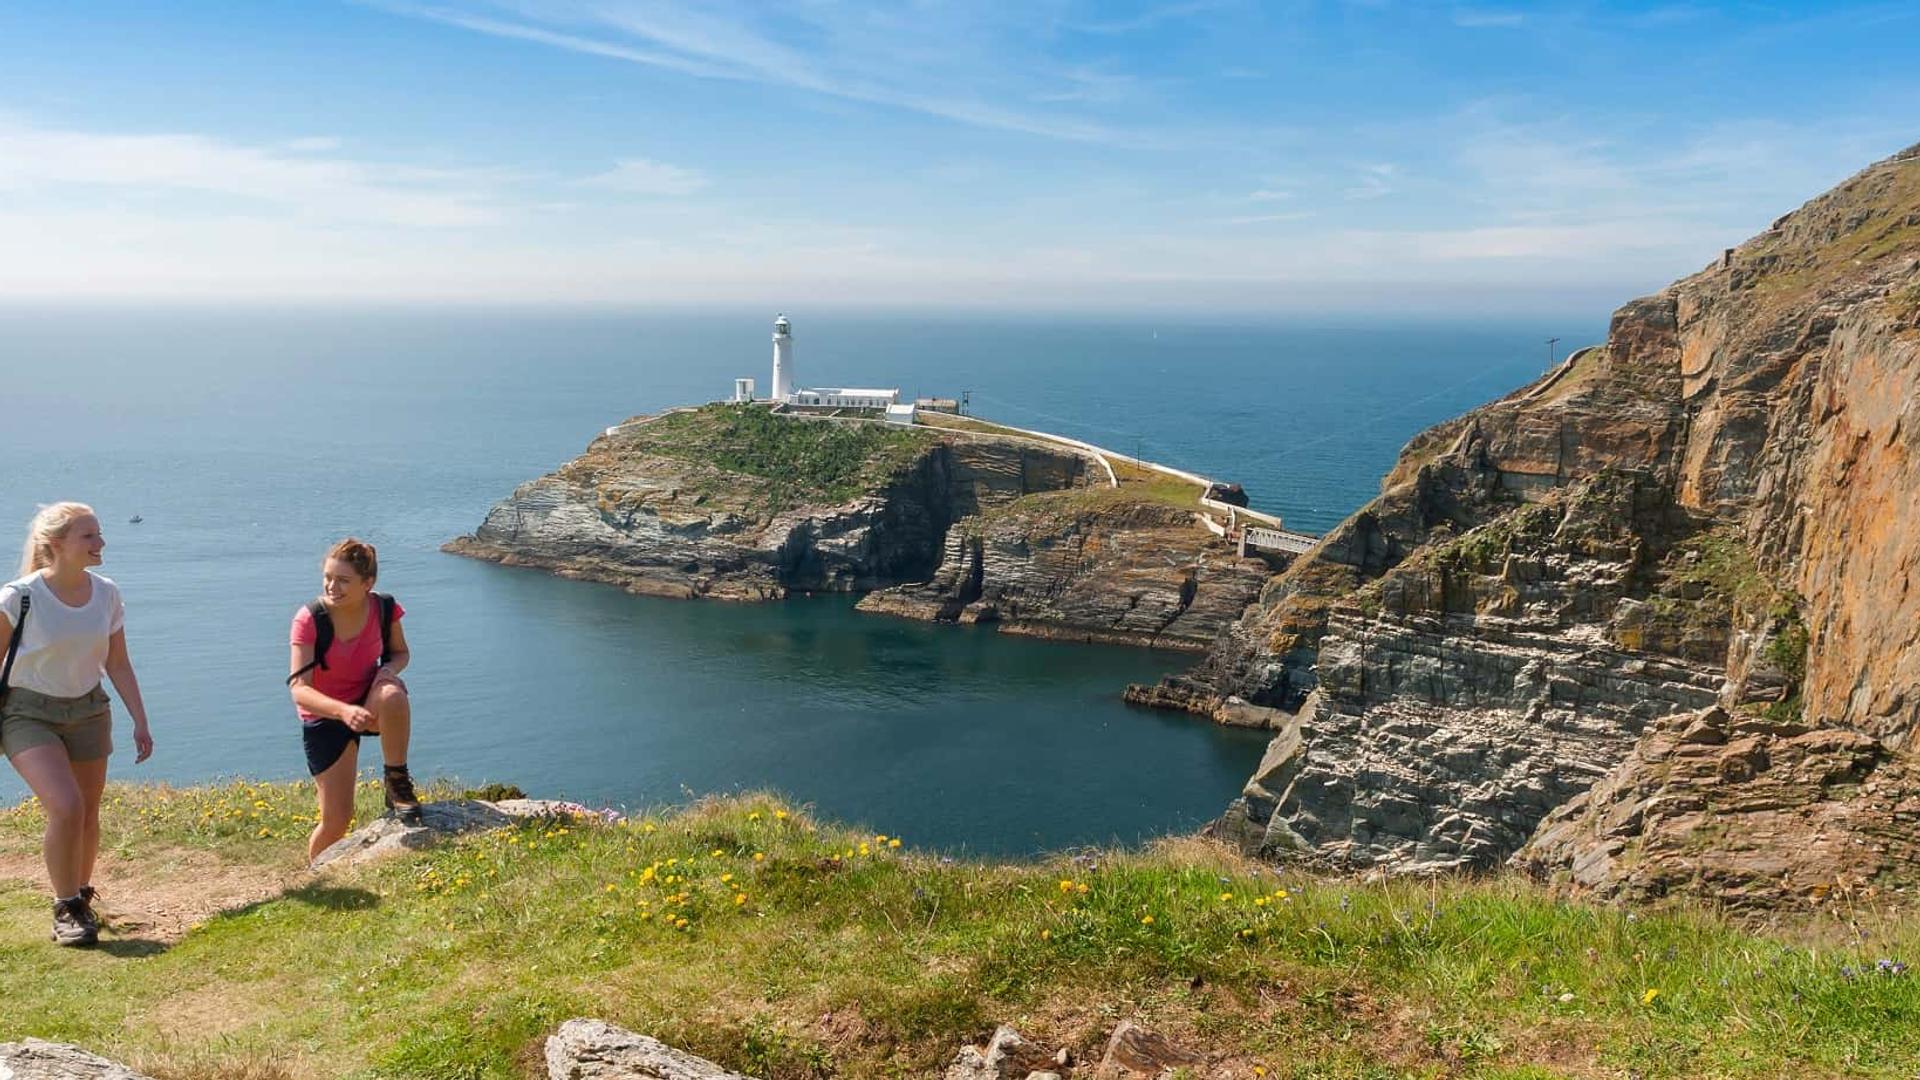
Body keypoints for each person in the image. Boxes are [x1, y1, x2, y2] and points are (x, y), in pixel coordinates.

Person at [0, 503, 154, 947]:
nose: (100, 543)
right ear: (57, 545)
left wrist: (140, 721)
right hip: (28, 713)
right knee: (66, 807)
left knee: (87, 812)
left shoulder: (106, 593)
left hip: (89, 709)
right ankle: (65, 906)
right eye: (89, 536)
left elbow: (118, 664)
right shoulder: (20, 596)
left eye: (99, 534)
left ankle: (81, 897)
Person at [288, 538, 420, 863]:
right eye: (328, 577)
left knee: (393, 692)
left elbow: (400, 653)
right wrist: (343, 711)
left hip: (367, 701)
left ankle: (397, 784)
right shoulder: (309, 619)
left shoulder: (384, 609)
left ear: (368, 583)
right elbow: (299, 688)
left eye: (343, 580)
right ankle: (317, 877)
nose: (332, 586)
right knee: (337, 821)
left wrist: (387, 670)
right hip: (325, 715)